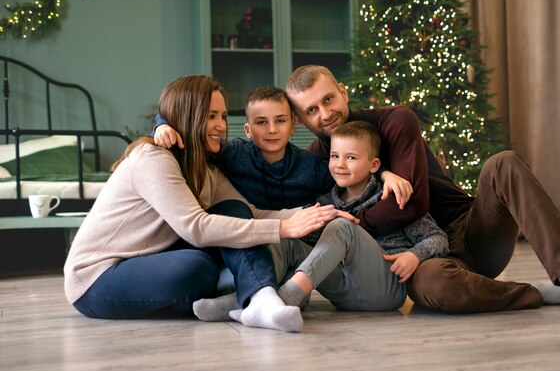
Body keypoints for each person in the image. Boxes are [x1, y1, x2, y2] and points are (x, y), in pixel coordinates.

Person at [285, 65, 560, 325]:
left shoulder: (395, 121)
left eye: (328, 99)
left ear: (343, 92)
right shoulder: (316, 160)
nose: (325, 113)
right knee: (431, 289)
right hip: (427, 260)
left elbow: (413, 205)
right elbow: (321, 220)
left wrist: (353, 221)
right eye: (311, 110)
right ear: (300, 120)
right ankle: (543, 293)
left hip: (470, 228)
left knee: (503, 163)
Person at [63, 74, 352, 333]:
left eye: (223, 116)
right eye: (211, 116)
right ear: (190, 115)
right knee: (196, 268)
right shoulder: (153, 158)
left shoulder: (206, 167)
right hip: (98, 277)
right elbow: (195, 228)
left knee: (234, 213)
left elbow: (250, 213)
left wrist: (314, 215)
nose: (221, 126)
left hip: (151, 258)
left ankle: (260, 299)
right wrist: (283, 229)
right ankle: (247, 297)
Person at [276, 120, 449, 312]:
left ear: (374, 165)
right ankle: (264, 296)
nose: (340, 164)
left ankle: (288, 296)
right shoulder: (325, 200)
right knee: (287, 241)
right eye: (335, 156)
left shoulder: (390, 198)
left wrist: (415, 255)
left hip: (385, 289)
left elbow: (438, 238)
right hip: (343, 292)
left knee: (342, 225)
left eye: (351, 157)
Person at [154, 85, 413, 210]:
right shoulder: (233, 153)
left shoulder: (311, 166)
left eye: (280, 121)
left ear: (293, 125)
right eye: (261, 123)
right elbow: (193, 134)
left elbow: (349, 173)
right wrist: (161, 125)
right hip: (251, 236)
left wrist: (385, 173)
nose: (271, 130)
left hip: (297, 243)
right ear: (247, 130)